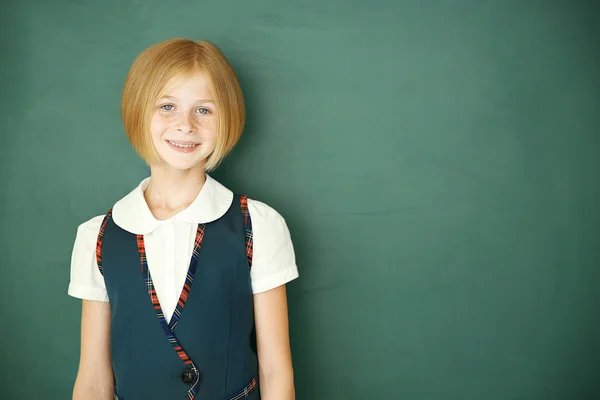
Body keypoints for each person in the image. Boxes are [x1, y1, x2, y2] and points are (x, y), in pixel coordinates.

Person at [68, 38, 298, 400]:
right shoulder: (96, 236)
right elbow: (94, 379)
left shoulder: (258, 224)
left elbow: (275, 371)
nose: (185, 125)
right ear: (138, 111)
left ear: (227, 118)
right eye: (167, 106)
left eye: (203, 110)